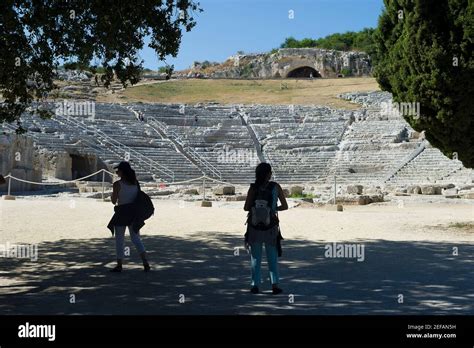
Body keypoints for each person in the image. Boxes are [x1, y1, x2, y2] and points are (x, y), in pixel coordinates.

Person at [244, 162, 288, 295]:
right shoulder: (276, 187)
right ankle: (274, 285)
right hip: (271, 227)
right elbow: (285, 206)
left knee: (255, 258)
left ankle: (255, 285)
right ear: (269, 174)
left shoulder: (253, 188)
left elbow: (246, 207)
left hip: (254, 227)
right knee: (272, 257)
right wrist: (273, 209)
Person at [108, 161, 150, 272]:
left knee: (119, 239)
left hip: (122, 212)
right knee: (136, 238)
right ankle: (145, 262)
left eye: (118, 170)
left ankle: (119, 264)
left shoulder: (117, 184)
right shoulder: (135, 183)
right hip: (134, 212)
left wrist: (112, 195)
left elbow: (113, 201)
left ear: (123, 171)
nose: (117, 172)